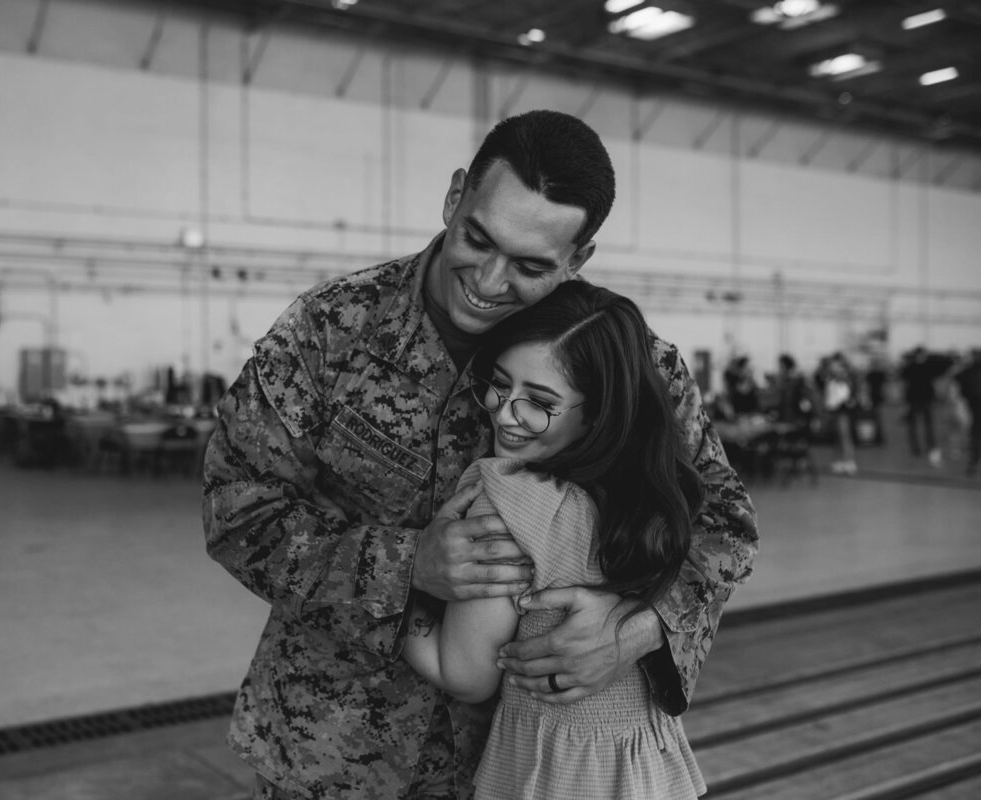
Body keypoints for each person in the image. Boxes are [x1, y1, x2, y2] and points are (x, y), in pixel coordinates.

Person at [203, 109, 758, 799]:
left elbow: (726, 527)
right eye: (478, 239)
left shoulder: (627, 366)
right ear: (455, 195)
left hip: (537, 768)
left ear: (579, 259)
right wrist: (409, 563)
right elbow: (236, 508)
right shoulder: (330, 332)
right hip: (336, 754)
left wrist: (638, 629)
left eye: (530, 266)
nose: (491, 282)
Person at [404, 281, 706, 799]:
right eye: (499, 384)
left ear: (598, 413)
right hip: (646, 769)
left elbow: (465, 674)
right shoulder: (646, 498)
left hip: (552, 776)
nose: (503, 413)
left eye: (539, 403)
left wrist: (405, 589)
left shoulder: (507, 503)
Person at [822, 352, 860, 475]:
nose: (834, 368)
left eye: (837, 366)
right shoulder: (830, 381)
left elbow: (850, 397)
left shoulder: (847, 381)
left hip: (843, 412)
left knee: (845, 437)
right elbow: (829, 398)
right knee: (836, 438)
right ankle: (838, 461)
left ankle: (849, 461)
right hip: (833, 412)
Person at [953, 348, 981, 477]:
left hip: (975, 406)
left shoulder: (968, 371)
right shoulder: (969, 371)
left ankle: (973, 462)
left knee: (975, 434)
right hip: (974, 406)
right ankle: (973, 462)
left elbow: (960, 385)